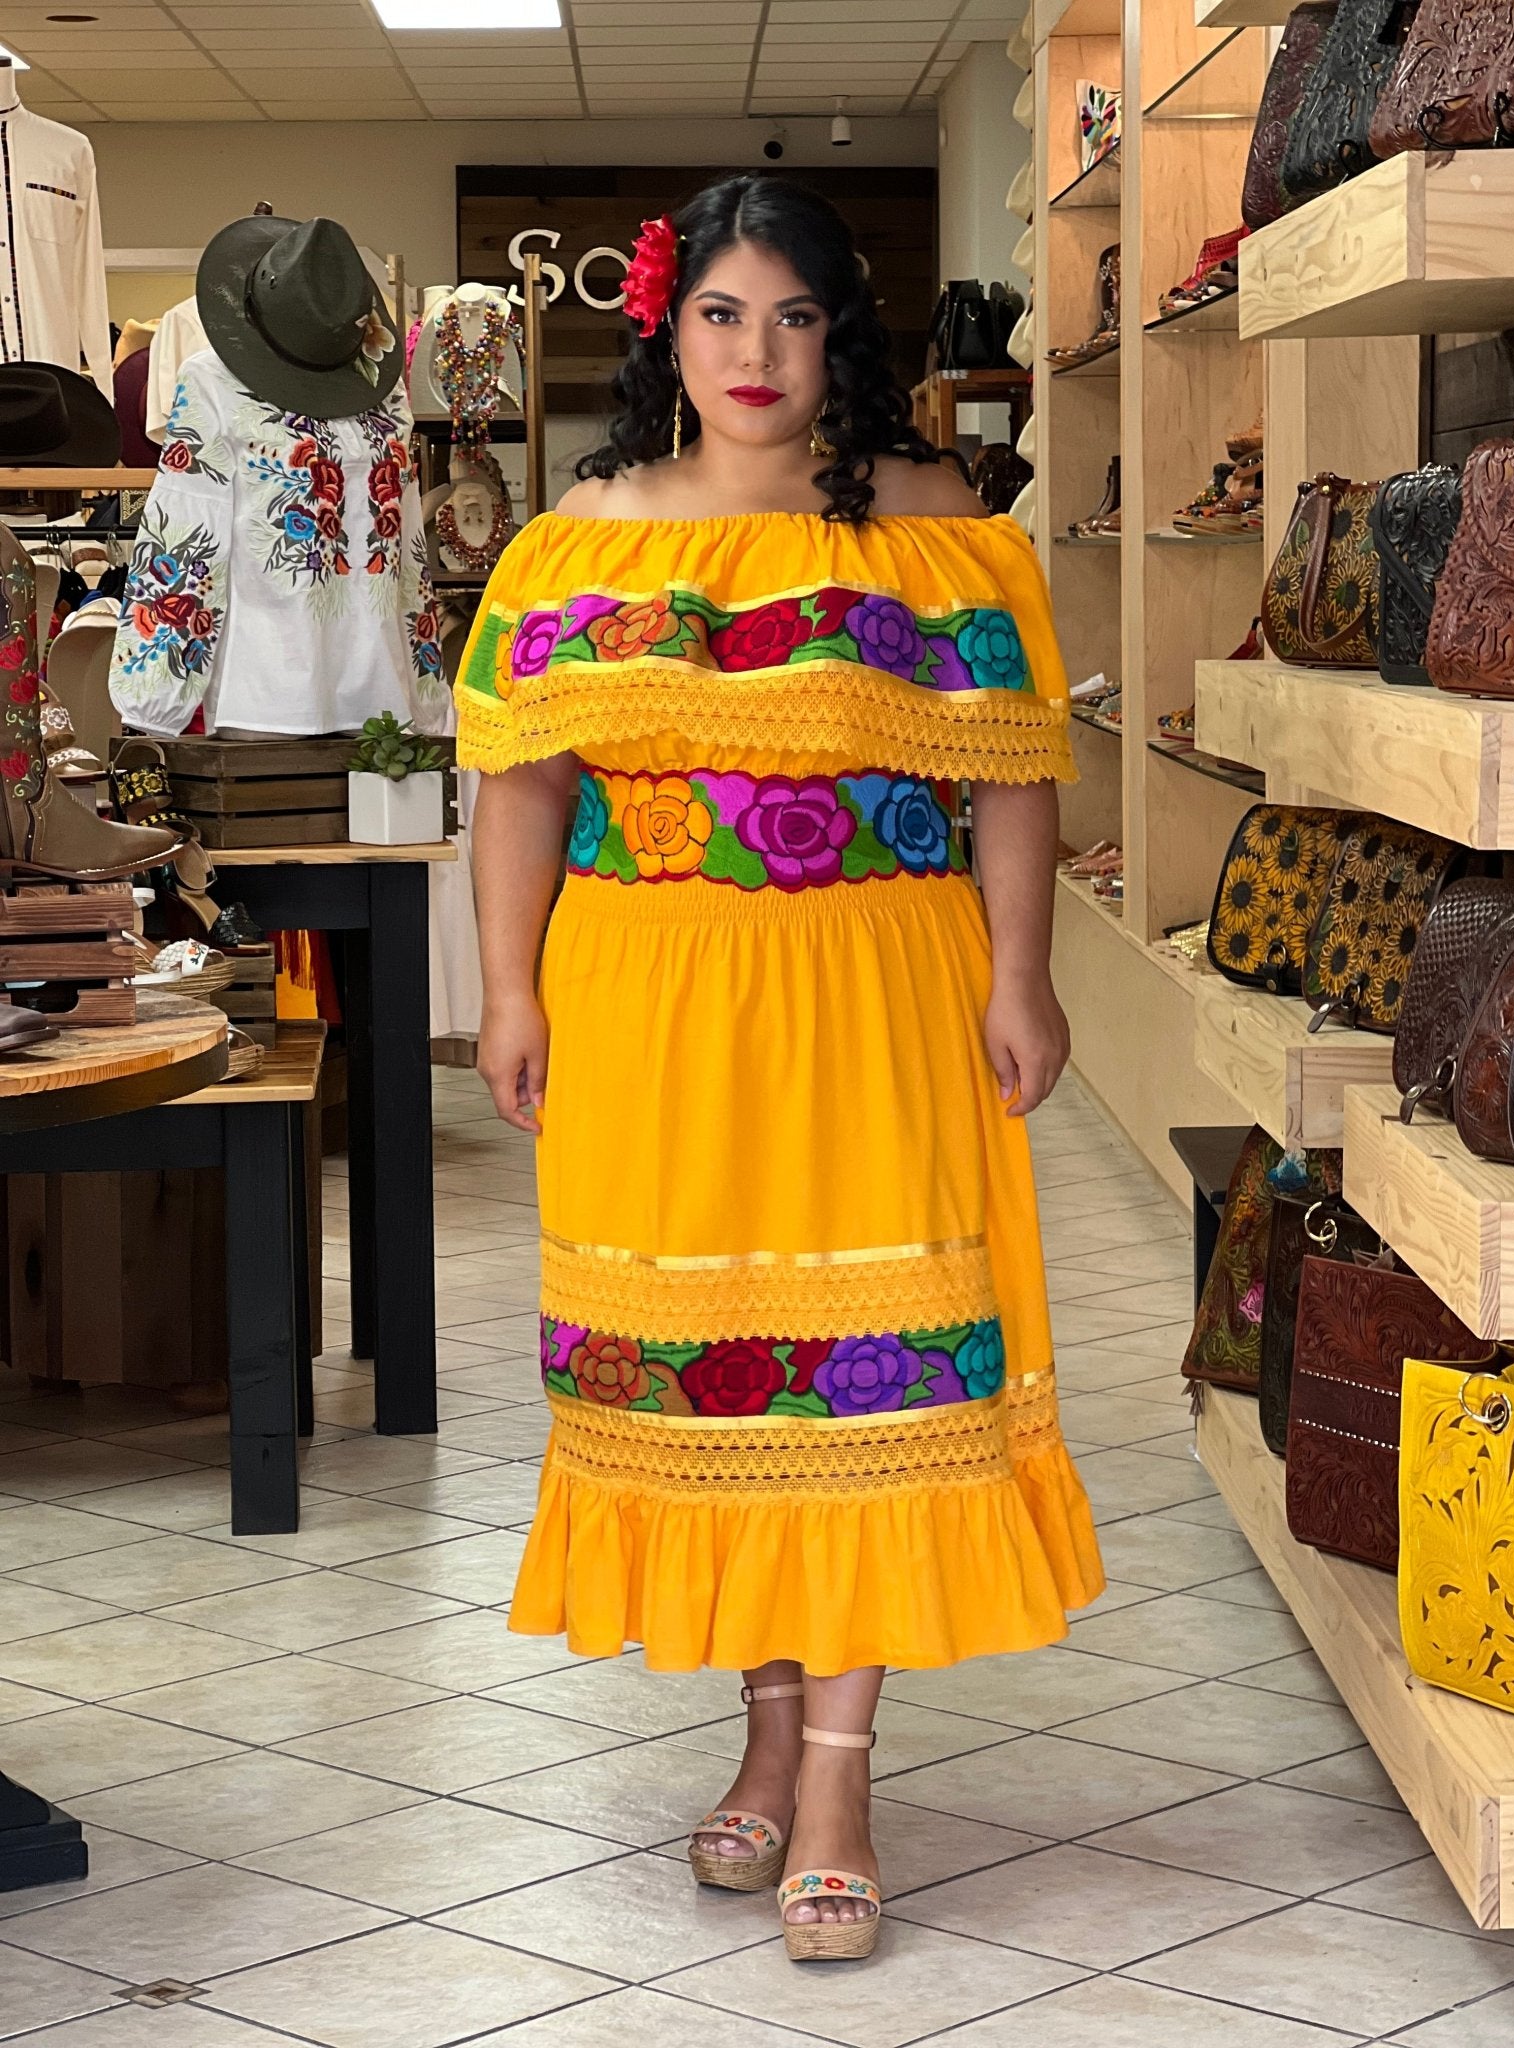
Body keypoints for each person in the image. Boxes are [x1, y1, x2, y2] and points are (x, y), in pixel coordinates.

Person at [456, 175, 1104, 1964]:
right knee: (723, 1370)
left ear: (845, 337)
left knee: (868, 1379)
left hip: (878, 994)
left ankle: (837, 1778)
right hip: (650, 999)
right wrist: (507, 990)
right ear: (667, 329)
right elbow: (519, 787)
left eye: (795, 317)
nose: (757, 354)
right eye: (724, 315)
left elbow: (1015, 775)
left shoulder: (933, 525)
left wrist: (1028, 973)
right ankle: (758, 1730)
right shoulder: (580, 539)